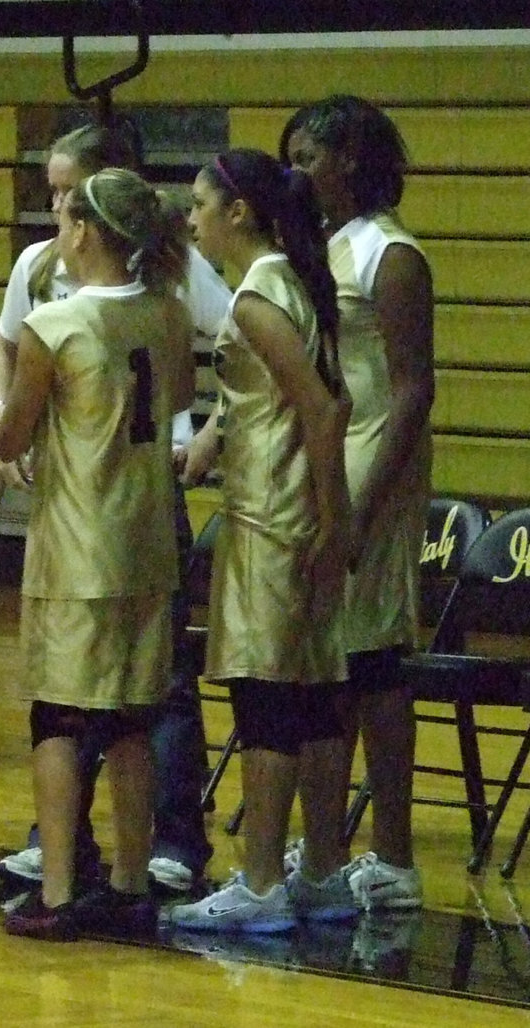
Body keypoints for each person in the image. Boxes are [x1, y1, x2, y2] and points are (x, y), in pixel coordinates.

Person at [0, 121, 224, 895]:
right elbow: (187, 397)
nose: (55, 221)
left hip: (77, 541)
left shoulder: (56, 322)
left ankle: (59, 890)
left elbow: (9, 431)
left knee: (59, 717)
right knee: (133, 715)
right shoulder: (163, 310)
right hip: (151, 534)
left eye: (64, 210)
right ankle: (129, 883)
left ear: (87, 230)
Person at [165, 148, 354, 933]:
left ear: (237, 211)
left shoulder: (253, 299)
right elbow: (275, 391)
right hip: (290, 510)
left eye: (200, 205)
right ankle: (318, 874)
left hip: (271, 516)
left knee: (266, 694)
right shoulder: (283, 279)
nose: (191, 220)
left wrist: (336, 518)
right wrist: (213, 434)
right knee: (309, 694)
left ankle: (261, 882)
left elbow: (325, 407)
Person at [281, 96, 434, 911]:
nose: (297, 172)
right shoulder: (315, 247)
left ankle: (397, 857)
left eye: (310, 157)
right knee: (324, 658)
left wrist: (368, 505)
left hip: (375, 461)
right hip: (325, 463)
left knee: (373, 659)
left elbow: (413, 389)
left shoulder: (391, 254)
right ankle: (328, 846)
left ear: (350, 160)